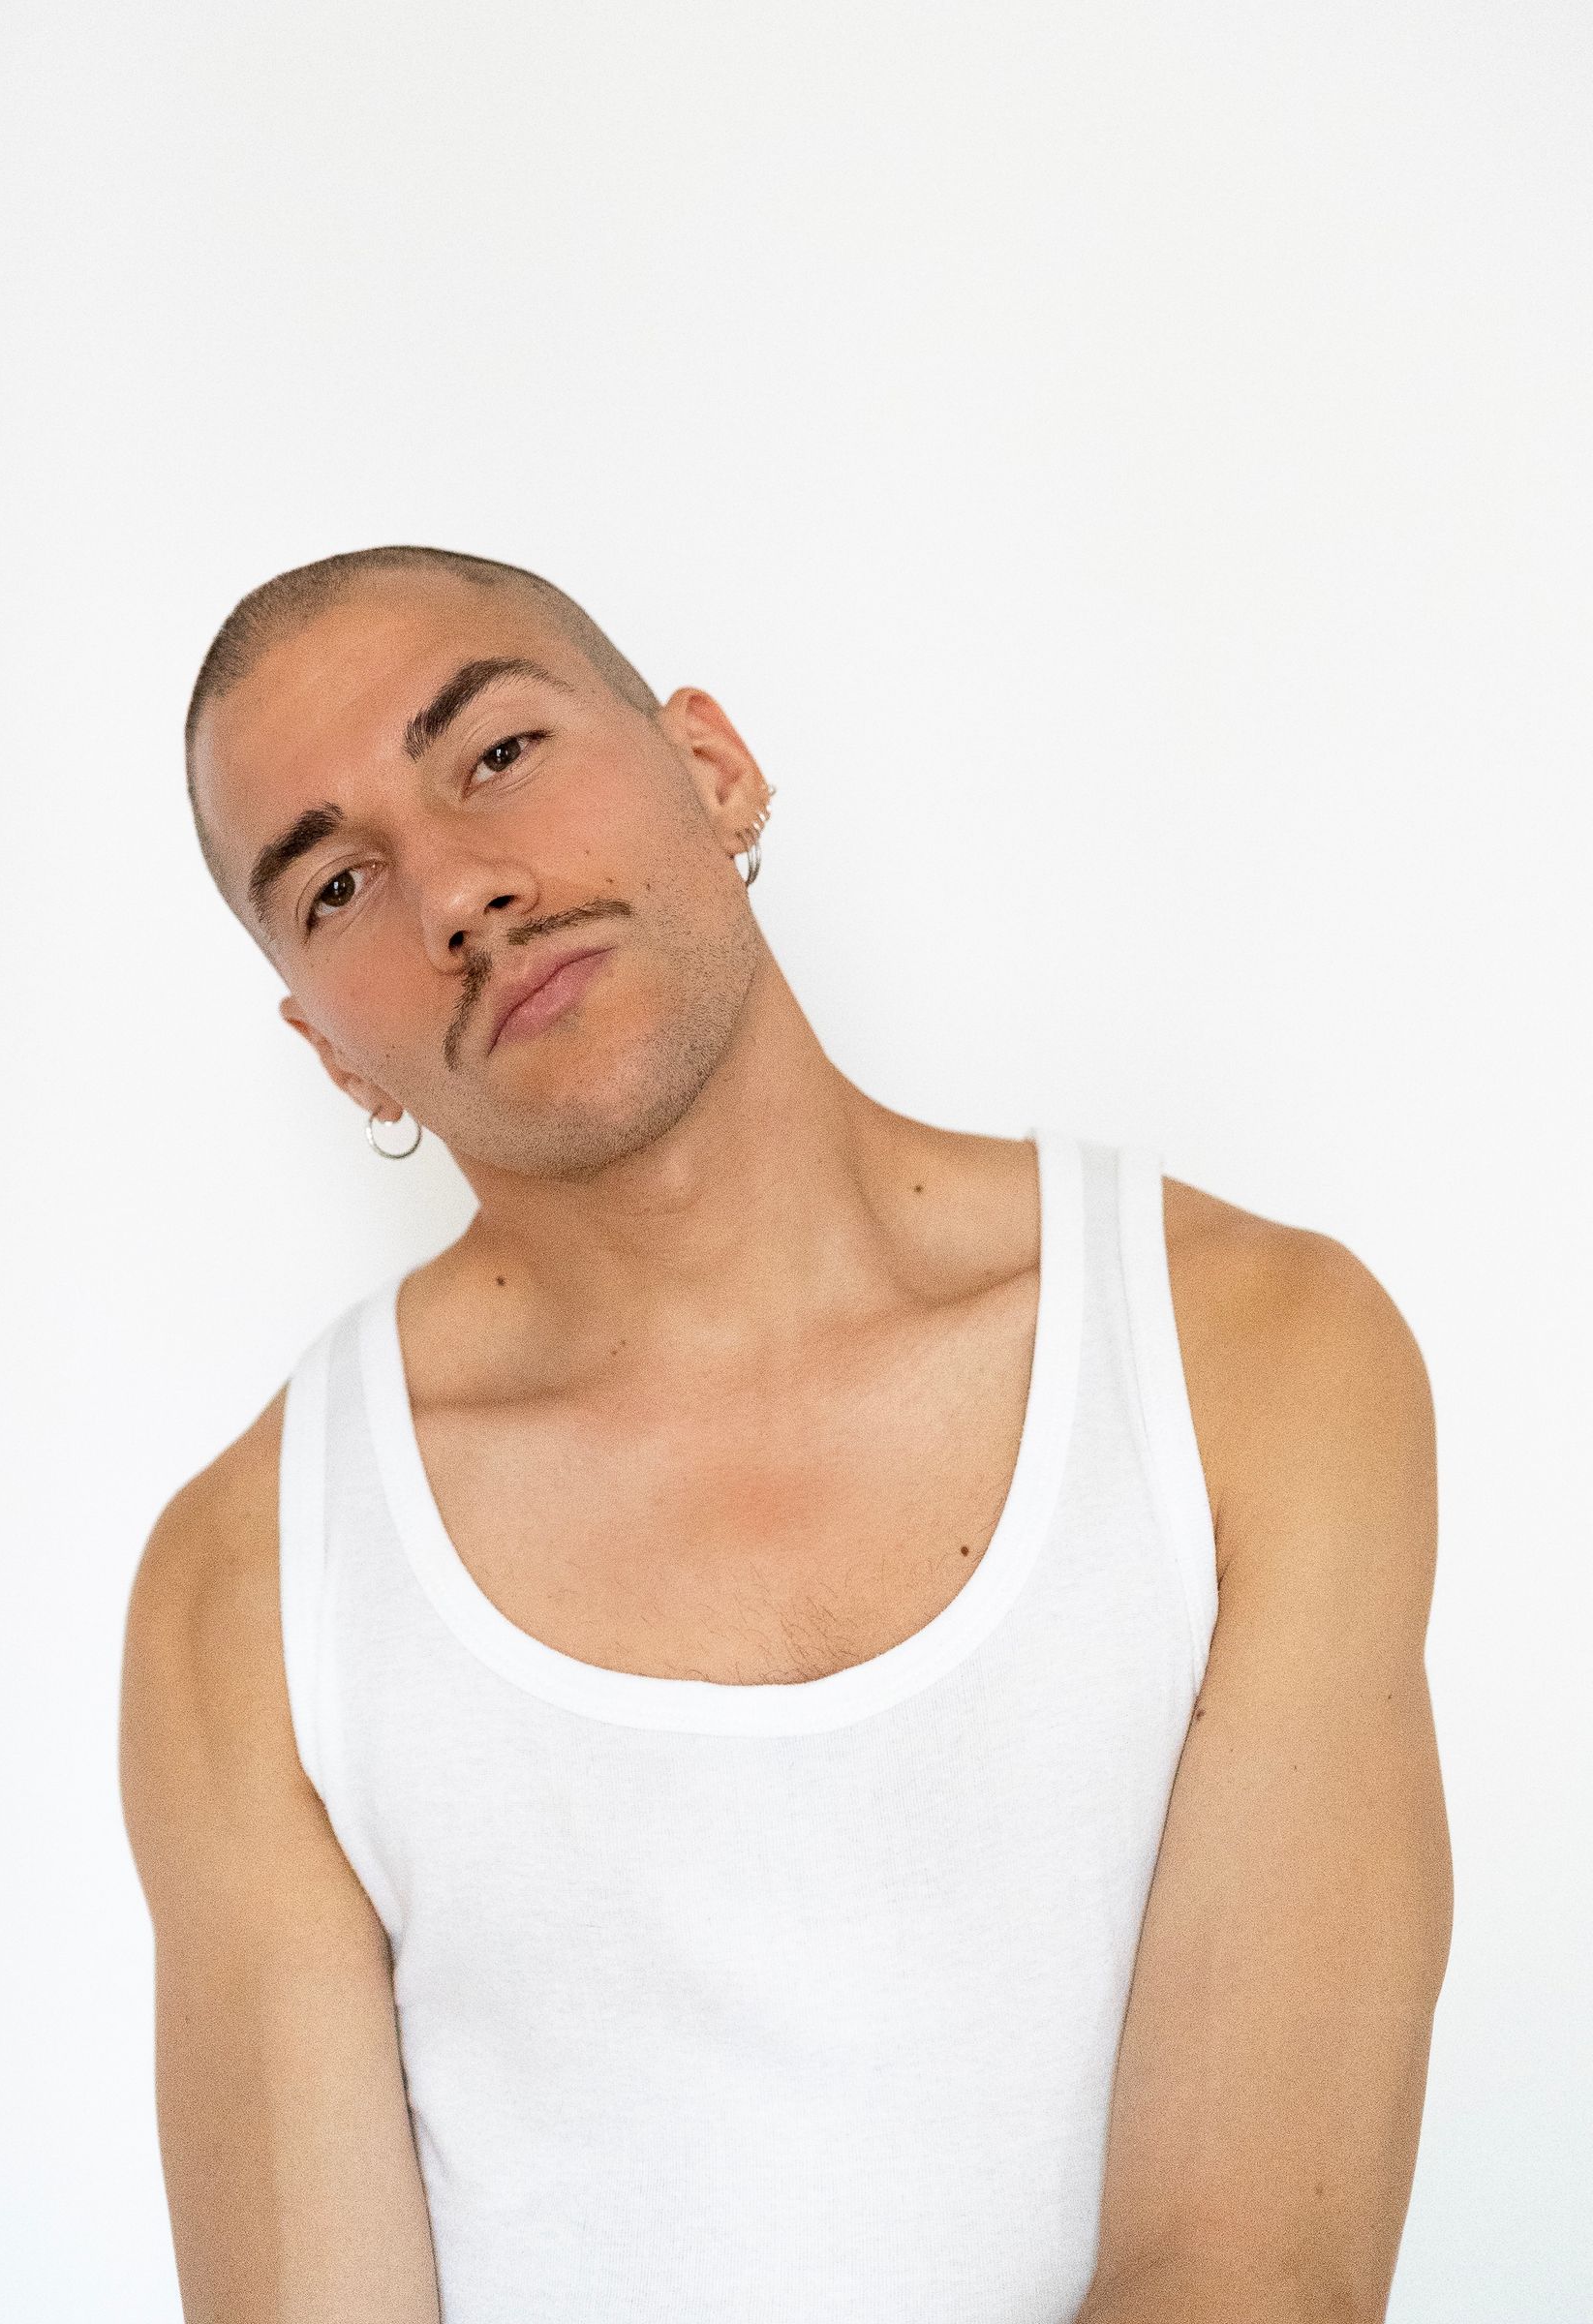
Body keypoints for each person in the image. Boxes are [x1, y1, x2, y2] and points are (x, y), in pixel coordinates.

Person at [118, 545, 1452, 2324]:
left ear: (714, 765)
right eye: (340, 882)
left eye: (496, 754)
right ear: (333, 1053)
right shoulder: (251, 1595)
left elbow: (1251, 2271)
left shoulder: (1247, 1361)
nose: (458, 889)